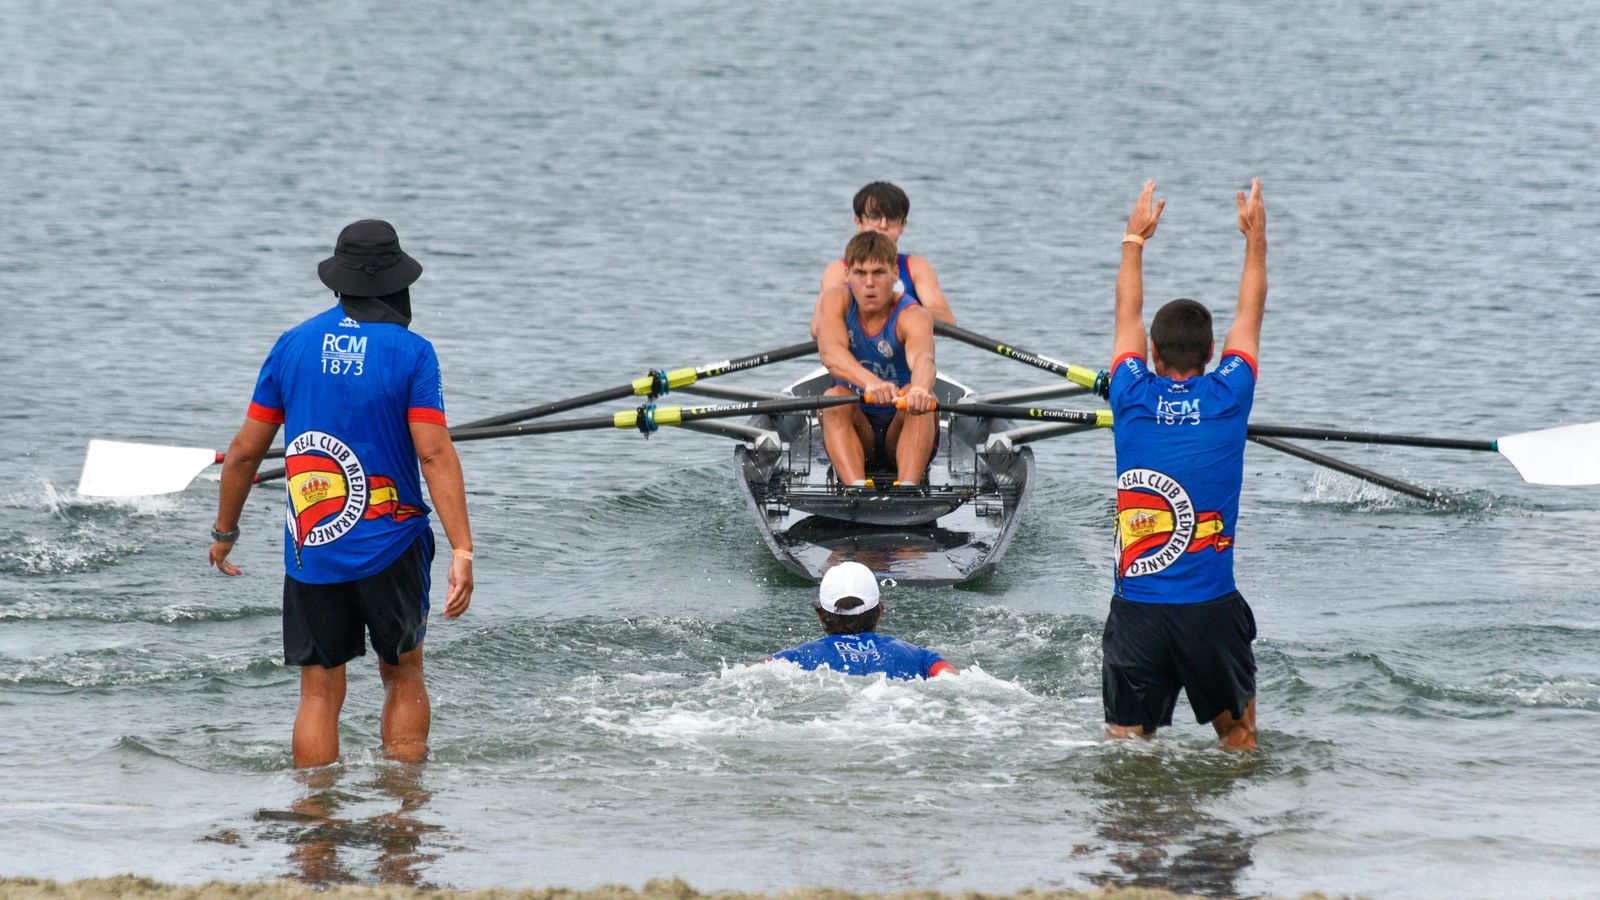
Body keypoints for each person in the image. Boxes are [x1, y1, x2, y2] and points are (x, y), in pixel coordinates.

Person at [207, 219, 475, 768]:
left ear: (338, 280)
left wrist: (225, 531)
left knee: (319, 689)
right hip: (391, 543)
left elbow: (243, 454)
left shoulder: (293, 345)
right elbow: (434, 453)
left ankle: (314, 826)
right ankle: (402, 817)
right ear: (399, 282)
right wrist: (462, 549)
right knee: (402, 670)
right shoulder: (413, 352)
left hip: (314, 548)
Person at [1102, 179, 1267, 751]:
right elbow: (1253, 310)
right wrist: (1255, 239)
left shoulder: (1128, 391)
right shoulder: (1231, 394)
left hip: (1137, 614)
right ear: (1212, 354)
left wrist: (1135, 238)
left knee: (1126, 743)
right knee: (1239, 733)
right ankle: (1229, 832)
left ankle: (1132, 834)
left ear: (1150, 354)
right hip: (1208, 613)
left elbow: (1127, 310)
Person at [815, 231, 939, 489]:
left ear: (895, 273)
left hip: (900, 428)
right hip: (860, 430)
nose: (869, 283)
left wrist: (920, 389)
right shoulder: (836, 299)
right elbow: (831, 353)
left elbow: (924, 359)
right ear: (847, 275)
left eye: (879, 273)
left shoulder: (913, 314)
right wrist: (871, 383)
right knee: (835, 396)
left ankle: (908, 490)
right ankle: (856, 489)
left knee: (916, 398)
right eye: (860, 273)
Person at [809, 182, 956, 337]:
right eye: (874, 217)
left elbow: (946, 320)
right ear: (858, 222)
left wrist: (892, 312)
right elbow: (817, 328)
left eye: (891, 217)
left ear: (902, 225)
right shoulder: (838, 270)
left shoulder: (916, 267)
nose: (883, 225)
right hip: (847, 357)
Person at [768, 562, 957, 679]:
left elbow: (747, 673)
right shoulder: (923, 658)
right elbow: (958, 682)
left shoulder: (796, 658)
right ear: (879, 612)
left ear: (821, 615)